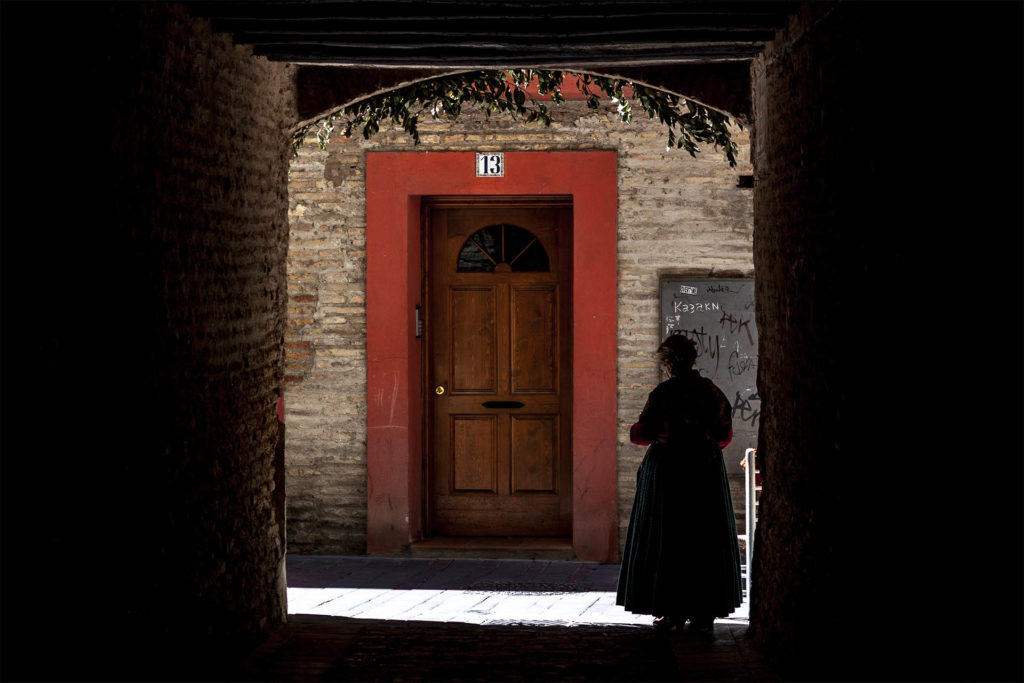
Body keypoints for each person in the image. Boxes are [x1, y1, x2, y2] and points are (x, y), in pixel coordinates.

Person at [615, 333, 743, 633]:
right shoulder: (711, 392)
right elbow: (724, 435)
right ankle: (704, 612)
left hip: (668, 473)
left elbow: (641, 434)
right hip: (705, 471)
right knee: (704, 537)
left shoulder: (664, 394)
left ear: (670, 362)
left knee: (668, 537)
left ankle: (671, 610)